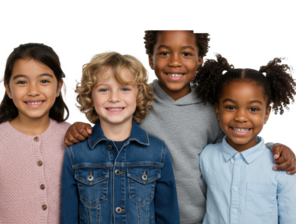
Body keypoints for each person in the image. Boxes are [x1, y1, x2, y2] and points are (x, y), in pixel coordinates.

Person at [63, 28, 296, 224]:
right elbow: (109, 128)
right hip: (146, 215)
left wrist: (274, 146)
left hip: (204, 217)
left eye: (186, 53)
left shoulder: (212, 107)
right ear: (151, 60)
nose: (175, 61)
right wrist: (82, 128)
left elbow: (236, 140)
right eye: (165, 53)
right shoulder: (135, 99)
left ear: (199, 61)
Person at [61, 50, 179, 223]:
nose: (114, 98)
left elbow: (168, 215)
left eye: (124, 89)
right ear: (90, 97)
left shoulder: (157, 151)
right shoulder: (75, 153)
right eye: (103, 89)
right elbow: (69, 217)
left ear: (138, 95)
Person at [0, 42, 71, 224]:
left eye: (44, 81)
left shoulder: (71, 135)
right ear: (8, 89)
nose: (33, 91)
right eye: (22, 82)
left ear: (58, 87)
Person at [197, 53, 296, 224]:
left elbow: (289, 218)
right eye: (230, 107)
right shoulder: (206, 157)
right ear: (218, 111)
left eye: (253, 109)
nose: (241, 117)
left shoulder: (281, 165)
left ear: (267, 115)